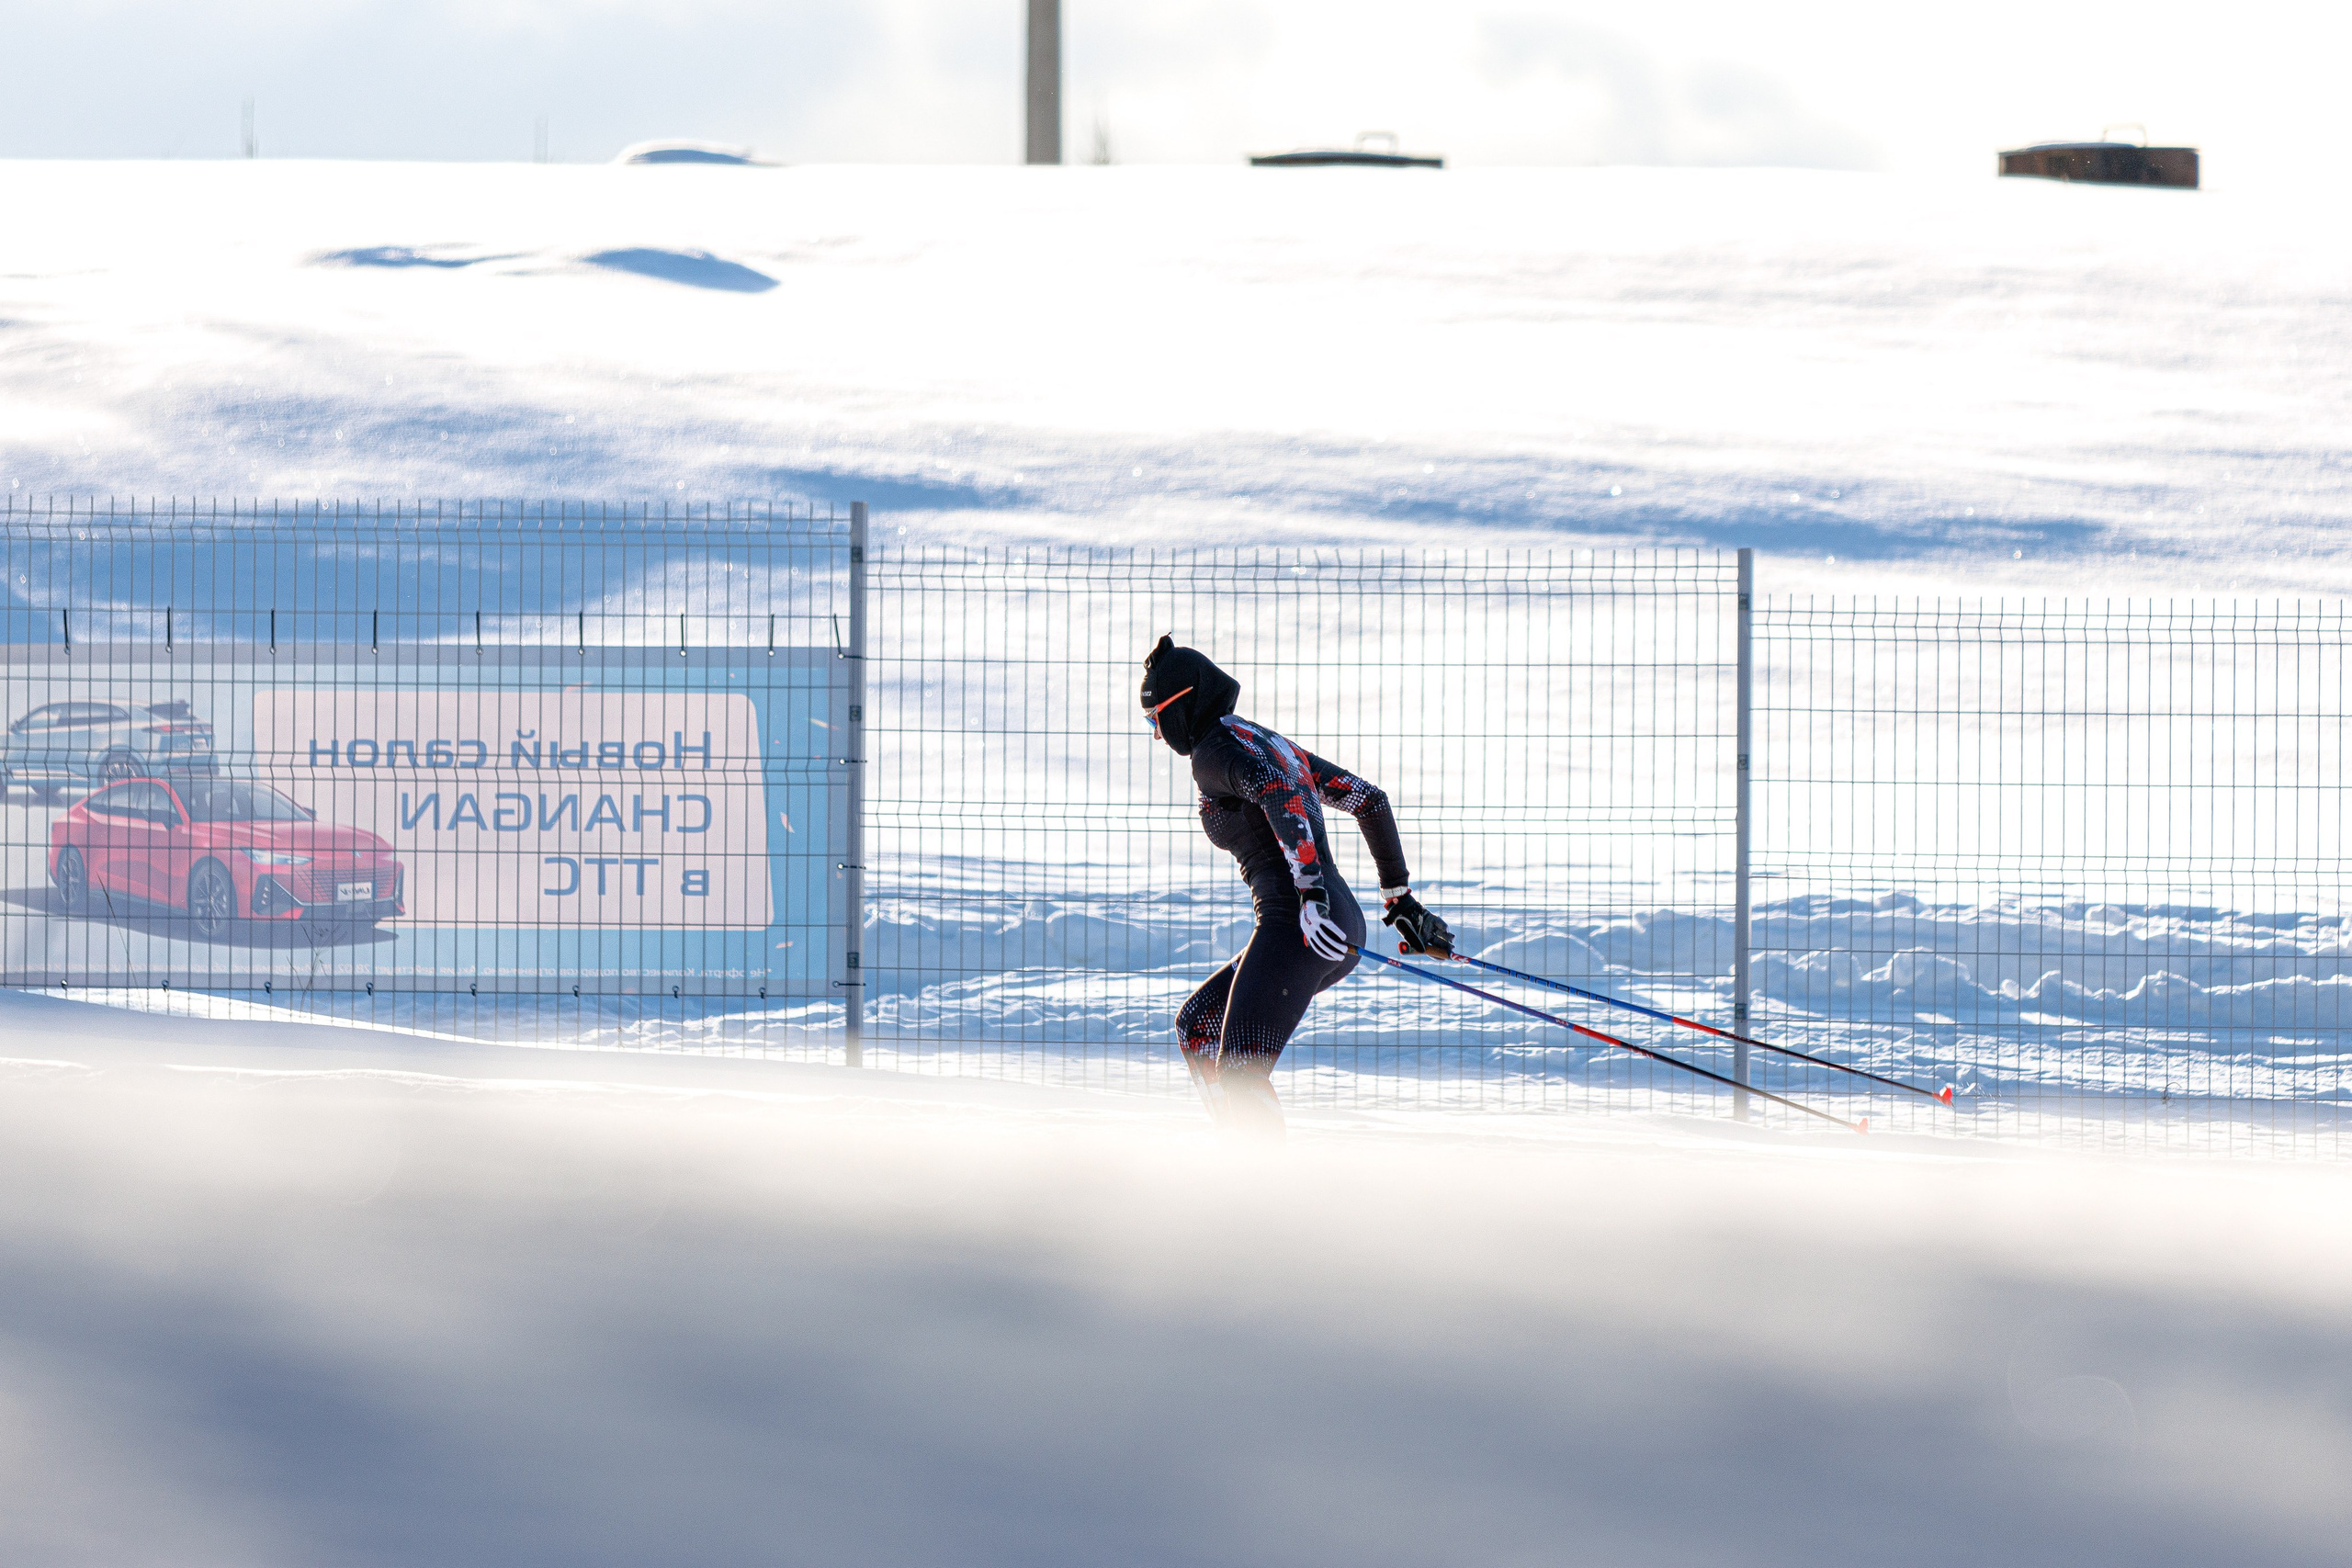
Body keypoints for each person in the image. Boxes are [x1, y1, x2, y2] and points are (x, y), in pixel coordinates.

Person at [1139, 635, 1453, 1136]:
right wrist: (1399, 899)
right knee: (1198, 1026)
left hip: (1300, 926)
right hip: (1330, 925)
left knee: (1240, 1070)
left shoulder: (1214, 751)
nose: (1157, 735)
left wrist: (1310, 895)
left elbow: (1278, 792)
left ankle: (1267, 1193)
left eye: (1154, 720)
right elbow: (1368, 800)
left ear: (1181, 704)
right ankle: (1241, 1165)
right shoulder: (1262, 739)